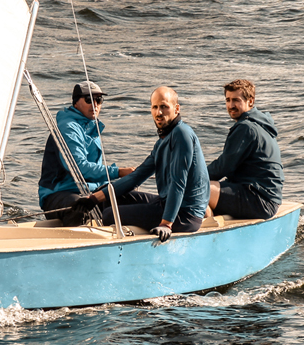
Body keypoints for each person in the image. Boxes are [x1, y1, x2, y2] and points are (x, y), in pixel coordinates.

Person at [78, 86, 209, 242]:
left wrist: (166, 224)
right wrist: (93, 198)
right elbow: (137, 176)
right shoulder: (163, 140)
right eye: (155, 107)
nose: (158, 113)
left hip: (185, 215)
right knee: (109, 199)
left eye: (164, 107)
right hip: (166, 202)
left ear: (176, 108)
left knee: (109, 214)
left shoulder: (182, 134)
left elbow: (178, 182)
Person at [38, 80, 137, 224]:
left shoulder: (91, 126)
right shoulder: (68, 128)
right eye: (89, 99)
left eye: (99, 99)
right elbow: (79, 168)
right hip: (59, 193)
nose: (95, 104)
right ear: (76, 103)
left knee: (128, 196)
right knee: (78, 207)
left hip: (89, 191)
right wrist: (119, 172)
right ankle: (77, 243)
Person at [206, 79, 285, 220]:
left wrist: (193, 177)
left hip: (260, 201)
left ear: (250, 101)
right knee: (204, 185)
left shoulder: (246, 128)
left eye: (236, 100)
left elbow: (223, 167)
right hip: (266, 197)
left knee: (197, 189)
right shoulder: (260, 124)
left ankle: (206, 227)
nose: (231, 105)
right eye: (228, 100)